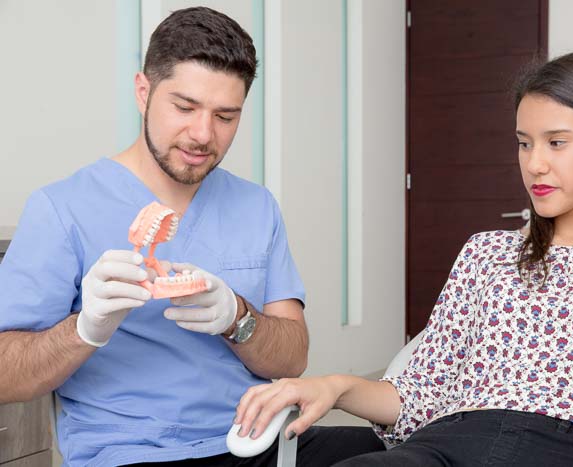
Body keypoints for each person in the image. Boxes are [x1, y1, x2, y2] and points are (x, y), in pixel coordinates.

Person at [234, 51, 573, 467]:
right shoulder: (487, 252)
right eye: (524, 142)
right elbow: (418, 393)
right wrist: (335, 386)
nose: (534, 163)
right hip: (451, 439)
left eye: (556, 142)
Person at [0, 7, 384, 467]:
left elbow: (292, 358)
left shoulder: (256, 206)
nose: (203, 135)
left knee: (419, 453)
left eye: (226, 116)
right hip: (130, 454)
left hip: (255, 440)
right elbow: (6, 375)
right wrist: (84, 330)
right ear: (143, 92)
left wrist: (237, 318)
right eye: (184, 107)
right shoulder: (62, 209)